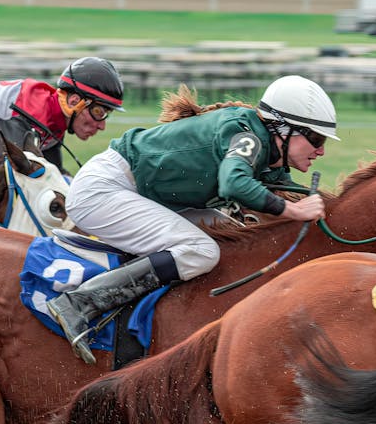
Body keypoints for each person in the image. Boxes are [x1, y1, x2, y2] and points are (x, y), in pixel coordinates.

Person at [47, 75, 336, 364]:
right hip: (103, 190)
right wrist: (293, 211)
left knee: (230, 240)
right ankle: (79, 303)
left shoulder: (267, 151)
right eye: (316, 139)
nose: (321, 151)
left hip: (137, 190)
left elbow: (282, 192)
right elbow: (234, 183)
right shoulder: (247, 138)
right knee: (201, 251)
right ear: (283, 130)